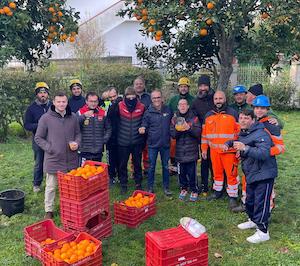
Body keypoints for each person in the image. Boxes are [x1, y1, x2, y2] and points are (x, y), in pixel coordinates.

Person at [225, 109, 277, 243]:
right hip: (252, 173)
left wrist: (245, 149)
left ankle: (263, 232)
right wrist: (228, 143)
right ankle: (253, 221)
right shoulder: (245, 133)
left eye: (246, 118)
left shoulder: (261, 133)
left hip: (264, 174)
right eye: (241, 118)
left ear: (253, 120)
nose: (242, 120)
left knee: (261, 203)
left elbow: (264, 153)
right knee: (250, 201)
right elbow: (239, 140)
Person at [35, 92, 81, 219]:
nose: (61, 104)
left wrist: (77, 143)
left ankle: (70, 208)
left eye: (64, 102)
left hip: (71, 159)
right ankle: (48, 210)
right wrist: (50, 148)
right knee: (51, 187)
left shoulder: (73, 117)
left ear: (67, 103)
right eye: (59, 102)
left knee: (70, 187)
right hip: (53, 159)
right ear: (54, 102)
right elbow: (38, 138)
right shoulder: (46, 118)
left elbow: (78, 134)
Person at [201, 91, 240, 209]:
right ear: (213, 100)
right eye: (216, 98)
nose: (218, 101)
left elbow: (238, 133)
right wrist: (204, 149)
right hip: (214, 152)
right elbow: (204, 134)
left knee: (231, 174)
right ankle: (217, 192)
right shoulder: (208, 115)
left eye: (220, 98)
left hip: (229, 152)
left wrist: (238, 148)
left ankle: (232, 197)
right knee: (217, 173)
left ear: (225, 99)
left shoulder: (233, 113)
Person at [139, 90, 173, 196]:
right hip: (152, 144)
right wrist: (143, 127)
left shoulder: (168, 109)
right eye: (154, 98)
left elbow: (174, 122)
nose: (156, 100)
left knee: (165, 166)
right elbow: (144, 123)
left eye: (158, 97)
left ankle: (166, 187)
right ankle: (150, 187)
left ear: (162, 98)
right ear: (151, 99)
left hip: (165, 144)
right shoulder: (148, 112)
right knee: (151, 166)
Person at [170, 99, 201, 202]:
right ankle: (183, 188)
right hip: (179, 152)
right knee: (181, 173)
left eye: (184, 104)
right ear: (178, 107)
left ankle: (194, 190)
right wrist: (178, 129)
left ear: (188, 106)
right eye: (180, 105)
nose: (182, 106)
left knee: (192, 173)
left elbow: (198, 133)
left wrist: (188, 128)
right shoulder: (174, 119)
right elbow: (173, 135)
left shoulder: (194, 118)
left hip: (191, 151)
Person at [116, 87, 145, 194]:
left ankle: (138, 183)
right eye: (128, 96)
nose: (131, 98)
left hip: (137, 141)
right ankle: (124, 184)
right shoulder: (119, 106)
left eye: (133, 95)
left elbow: (144, 121)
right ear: (125, 96)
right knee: (122, 164)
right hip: (122, 141)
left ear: (136, 96)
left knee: (137, 163)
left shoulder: (141, 107)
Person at [24, 82, 52, 193]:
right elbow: (27, 125)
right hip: (39, 139)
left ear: (48, 94)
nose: (43, 95)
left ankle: (56, 182)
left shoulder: (53, 106)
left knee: (54, 160)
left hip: (53, 138)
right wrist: (40, 124)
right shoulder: (31, 108)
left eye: (45, 92)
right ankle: (37, 184)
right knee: (39, 161)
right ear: (37, 95)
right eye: (40, 93)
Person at [191, 74, 215, 196]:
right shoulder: (196, 102)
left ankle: (217, 184)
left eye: (205, 85)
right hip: (203, 136)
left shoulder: (215, 98)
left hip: (217, 136)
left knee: (215, 161)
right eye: (201, 85)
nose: (203, 88)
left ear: (209, 86)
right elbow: (193, 118)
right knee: (205, 160)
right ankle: (204, 185)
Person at [168, 77, 195, 175]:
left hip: (188, 128)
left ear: (188, 88)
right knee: (173, 147)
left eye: (185, 87)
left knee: (188, 149)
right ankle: (173, 167)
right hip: (176, 128)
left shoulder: (193, 100)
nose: (183, 88)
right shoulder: (173, 100)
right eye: (181, 86)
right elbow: (169, 112)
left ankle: (188, 169)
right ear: (178, 88)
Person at [77, 92, 111, 165]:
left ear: (98, 102)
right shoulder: (80, 112)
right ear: (86, 101)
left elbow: (108, 129)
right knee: (84, 174)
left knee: (96, 173)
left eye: (95, 101)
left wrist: (104, 140)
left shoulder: (103, 113)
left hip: (98, 150)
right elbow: (74, 126)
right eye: (91, 101)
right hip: (84, 150)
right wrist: (83, 116)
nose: (93, 103)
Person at [133, 76, 151, 176]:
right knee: (135, 152)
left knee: (147, 151)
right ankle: (135, 170)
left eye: (140, 84)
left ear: (144, 85)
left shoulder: (149, 97)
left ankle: (147, 169)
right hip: (134, 128)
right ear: (134, 85)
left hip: (148, 128)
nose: (139, 85)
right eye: (137, 84)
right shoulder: (130, 97)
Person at [107, 87, 123, 185]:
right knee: (111, 159)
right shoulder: (107, 105)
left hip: (120, 136)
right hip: (110, 137)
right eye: (110, 97)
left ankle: (121, 176)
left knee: (120, 159)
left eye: (114, 96)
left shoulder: (121, 104)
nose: (113, 98)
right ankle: (111, 176)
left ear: (118, 94)